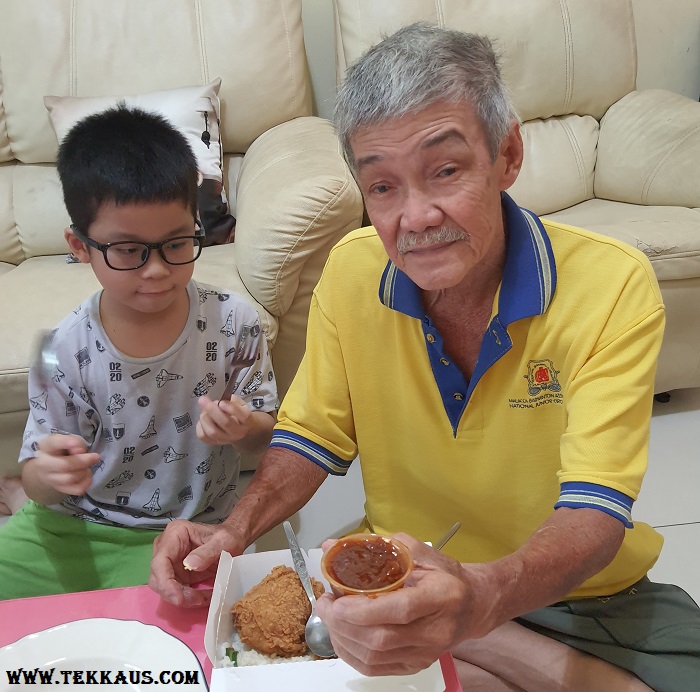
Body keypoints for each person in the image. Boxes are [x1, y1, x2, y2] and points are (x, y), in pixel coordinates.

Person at [150, 24, 700, 691]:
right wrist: (234, 530)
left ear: (508, 154)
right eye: (382, 188)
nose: (415, 217)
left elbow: (593, 510)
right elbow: (313, 433)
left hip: (583, 591)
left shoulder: (612, 285)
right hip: (400, 574)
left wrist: (480, 601)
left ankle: (496, 642)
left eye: (445, 170)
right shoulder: (352, 274)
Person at [0, 105, 277, 600]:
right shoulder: (61, 346)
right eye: (128, 250)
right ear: (79, 246)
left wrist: (244, 427)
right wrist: (45, 475)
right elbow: (41, 476)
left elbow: (264, 443)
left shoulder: (234, 322)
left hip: (184, 532)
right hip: (72, 530)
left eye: (176, 244)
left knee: (180, 634)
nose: (155, 270)